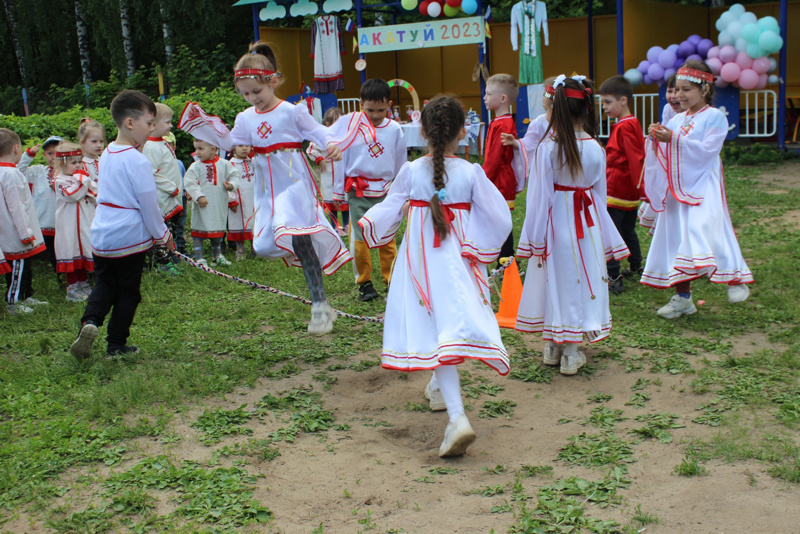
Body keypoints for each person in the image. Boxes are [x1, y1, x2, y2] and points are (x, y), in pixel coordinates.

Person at [358, 96, 512, 457]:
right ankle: (439, 388)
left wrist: (366, 226)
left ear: (422, 132)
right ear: (463, 132)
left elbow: (389, 208)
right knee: (448, 325)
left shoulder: (411, 172)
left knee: (435, 331)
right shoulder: (472, 173)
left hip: (420, 269)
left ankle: (457, 417)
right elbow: (501, 217)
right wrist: (476, 246)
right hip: (458, 263)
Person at [226, 41, 356, 334]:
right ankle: (320, 300)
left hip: (294, 183)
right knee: (264, 244)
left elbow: (317, 132)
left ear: (272, 81)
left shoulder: (291, 111)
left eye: (256, 92)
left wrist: (331, 145)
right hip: (265, 189)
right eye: (245, 94)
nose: (251, 98)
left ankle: (320, 305)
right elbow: (233, 144)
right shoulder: (245, 118)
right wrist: (236, 151)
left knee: (298, 237)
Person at [516, 75, 629, 375]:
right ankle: (569, 352)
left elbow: (538, 198)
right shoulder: (596, 148)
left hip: (556, 225)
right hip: (587, 224)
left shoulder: (547, 149)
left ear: (556, 111)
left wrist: (534, 239)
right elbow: (600, 196)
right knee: (580, 280)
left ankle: (554, 347)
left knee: (555, 281)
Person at [643, 61, 753, 319]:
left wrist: (674, 139)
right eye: (677, 89)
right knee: (677, 237)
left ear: (704, 89)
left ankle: (733, 276)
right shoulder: (678, 118)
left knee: (704, 227)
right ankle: (683, 298)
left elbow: (706, 151)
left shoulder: (714, 117)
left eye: (686, 90)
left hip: (703, 183)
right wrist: (656, 138)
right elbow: (672, 148)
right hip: (678, 185)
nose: (679, 95)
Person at [69, 90, 174, 359]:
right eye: (149, 123)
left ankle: (90, 321)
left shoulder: (107, 154)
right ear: (130, 123)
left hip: (102, 235)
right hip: (129, 237)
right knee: (128, 292)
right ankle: (115, 345)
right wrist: (163, 235)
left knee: (105, 284)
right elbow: (149, 208)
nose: (151, 128)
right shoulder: (138, 160)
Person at [333, 78, 406, 302]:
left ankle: (392, 280)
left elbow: (401, 161)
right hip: (358, 191)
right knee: (360, 238)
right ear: (361, 104)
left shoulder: (394, 129)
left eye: (381, 110)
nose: (375, 114)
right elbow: (339, 157)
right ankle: (364, 283)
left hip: (385, 191)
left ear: (389, 105)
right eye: (370, 109)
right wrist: (337, 191)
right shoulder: (351, 128)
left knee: (387, 236)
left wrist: (401, 189)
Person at [599, 75, 646, 294]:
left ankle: (614, 275)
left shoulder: (624, 127)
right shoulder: (632, 123)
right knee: (628, 230)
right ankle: (636, 266)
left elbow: (636, 158)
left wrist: (642, 186)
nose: (604, 108)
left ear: (623, 100)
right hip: (628, 190)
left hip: (617, 188)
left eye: (608, 102)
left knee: (611, 232)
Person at [0, 128, 47, 314]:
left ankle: (26, 295)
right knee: (18, 266)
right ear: (16, 148)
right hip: (15, 231)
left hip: (9, 230)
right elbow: (16, 207)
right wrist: (26, 232)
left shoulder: (6, 171)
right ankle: (14, 302)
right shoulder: (10, 175)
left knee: (23, 265)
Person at [482, 74, 525, 263]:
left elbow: (495, 159)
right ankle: (504, 258)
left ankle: (506, 259)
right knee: (497, 219)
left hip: (500, 179)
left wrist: (482, 178)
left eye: (488, 93)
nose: (484, 97)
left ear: (502, 99)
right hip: (497, 177)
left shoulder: (504, 123)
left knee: (501, 220)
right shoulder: (498, 121)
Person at [53, 141, 97, 302]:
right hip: (68, 224)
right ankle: (72, 287)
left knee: (84, 249)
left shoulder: (81, 178)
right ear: (62, 163)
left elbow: (95, 192)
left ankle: (83, 284)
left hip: (84, 221)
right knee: (71, 249)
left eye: (79, 162)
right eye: (73, 163)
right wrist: (83, 181)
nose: (78, 165)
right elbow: (73, 195)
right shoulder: (60, 181)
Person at [184, 139, 239, 266]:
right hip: (202, 205)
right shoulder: (195, 166)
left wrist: (232, 185)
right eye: (196, 148)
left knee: (217, 228)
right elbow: (189, 182)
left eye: (200, 149)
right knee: (199, 229)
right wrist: (198, 196)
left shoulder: (224, 164)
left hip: (218, 202)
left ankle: (217, 255)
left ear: (213, 149)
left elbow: (234, 175)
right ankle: (199, 258)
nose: (197, 152)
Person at [143, 103, 183, 269]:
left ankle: (171, 257)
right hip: (163, 198)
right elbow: (150, 173)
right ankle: (162, 263)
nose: (171, 126)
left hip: (171, 198)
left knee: (171, 229)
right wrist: (170, 187)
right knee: (162, 230)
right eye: (167, 122)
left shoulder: (161, 143)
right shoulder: (151, 147)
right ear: (153, 125)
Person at [18, 135, 63, 272]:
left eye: (58, 153)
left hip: (64, 222)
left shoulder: (70, 173)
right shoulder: (37, 171)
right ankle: (60, 278)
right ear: (44, 155)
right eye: (50, 153)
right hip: (44, 222)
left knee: (66, 251)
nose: (54, 157)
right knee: (52, 253)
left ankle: (74, 278)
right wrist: (29, 154)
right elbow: (18, 170)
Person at [307, 107, 348, 237]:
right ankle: (334, 225)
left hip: (342, 173)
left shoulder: (345, 135)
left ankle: (346, 225)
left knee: (344, 199)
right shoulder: (322, 136)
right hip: (328, 173)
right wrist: (319, 159)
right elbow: (311, 149)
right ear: (328, 124)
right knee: (330, 200)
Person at [228, 144, 255, 260]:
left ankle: (256, 250)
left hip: (253, 199)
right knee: (238, 223)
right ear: (234, 147)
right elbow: (227, 183)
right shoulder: (229, 164)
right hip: (238, 200)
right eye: (240, 145)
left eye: (247, 145)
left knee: (255, 223)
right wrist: (231, 200)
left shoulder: (253, 162)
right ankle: (240, 250)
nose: (244, 148)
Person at [165, 132, 189, 254]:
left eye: (169, 145)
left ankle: (181, 247)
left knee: (181, 224)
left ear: (174, 147)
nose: (167, 148)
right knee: (170, 225)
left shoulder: (179, 163)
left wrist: (186, 191)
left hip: (181, 197)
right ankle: (171, 250)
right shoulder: (162, 165)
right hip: (168, 197)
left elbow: (184, 178)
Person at [79, 118, 106, 184]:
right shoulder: (81, 164)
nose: (99, 145)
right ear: (83, 142)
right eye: (94, 141)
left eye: (101, 141)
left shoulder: (104, 160)